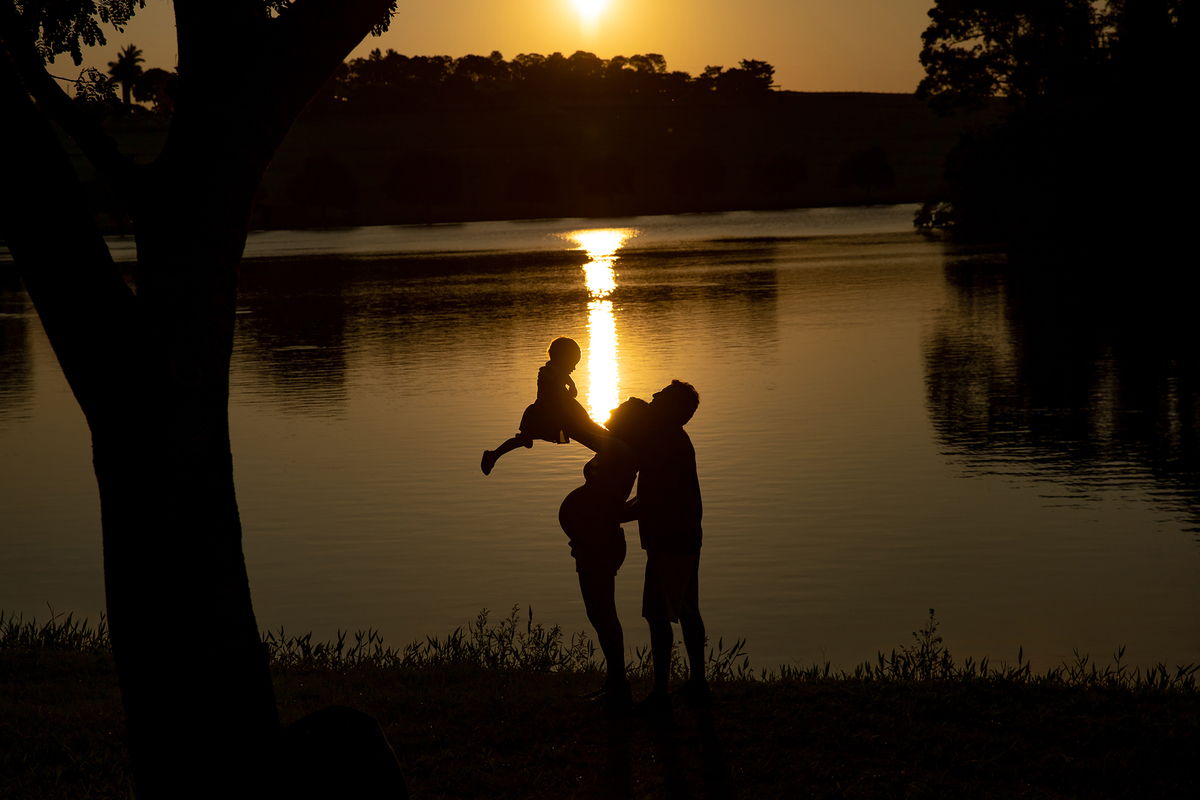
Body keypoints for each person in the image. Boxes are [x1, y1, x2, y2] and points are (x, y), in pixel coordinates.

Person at [558, 397, 651, 714]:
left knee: (603, 613)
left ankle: (619, 685)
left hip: (601, 541)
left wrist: (562, 404)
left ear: (629, 422)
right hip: (593, 538)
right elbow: (583, 428)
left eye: (619, 409)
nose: (611, 410)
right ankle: (614, 683)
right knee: (598, 613)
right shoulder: (616, 447)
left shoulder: (620, 450)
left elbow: (579, 429)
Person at [624, 380, 709, 718]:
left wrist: (613, 515)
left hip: (670, 540)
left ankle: (660, 694)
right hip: (687, 537)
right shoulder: (673, 440)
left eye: (660, 395)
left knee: (659, 616)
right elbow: (650, 497)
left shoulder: (666, 444)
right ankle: (698, 682)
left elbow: (654, 500)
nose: (653, 396)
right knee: (688, 610)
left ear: (671, 408)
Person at [481, 337, 609, 476]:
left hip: (556, 410)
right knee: (524, 440)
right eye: (572, 363)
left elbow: (565, 380)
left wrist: (571, 386)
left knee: (586, 425)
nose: (574, 368)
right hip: (545, 414)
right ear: (562, 358)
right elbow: (552, 395)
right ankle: (493, 455)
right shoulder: (548, 373)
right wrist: (565, 409)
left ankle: (494, 455)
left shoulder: (556, 370)